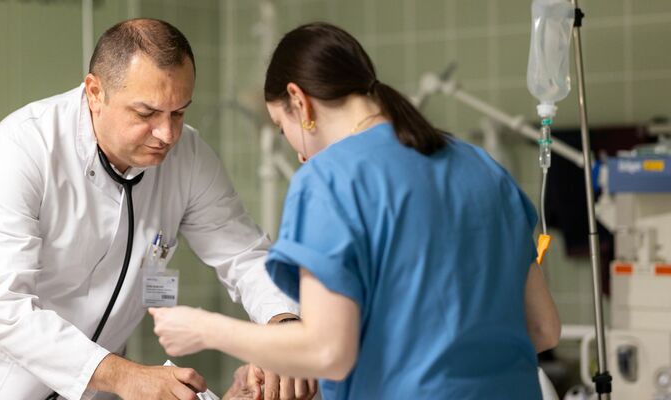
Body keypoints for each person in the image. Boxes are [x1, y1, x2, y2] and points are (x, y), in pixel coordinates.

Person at [0, 19, 318, 400]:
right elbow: (4, 309)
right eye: (147, 112)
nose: (167, 133)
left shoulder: (188, 158)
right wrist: (127, 377)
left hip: (88, 384)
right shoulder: (23, 150)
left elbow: (243, 255)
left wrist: (283, 325)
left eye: (179, 111)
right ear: (95, 92)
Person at [150, 22, 562, 399]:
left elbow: (329, 351)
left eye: (282, 127)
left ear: (299, 100)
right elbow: (544, 328)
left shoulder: (330, 180)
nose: (296, 152)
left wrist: (205, 329)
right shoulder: (483, 166)